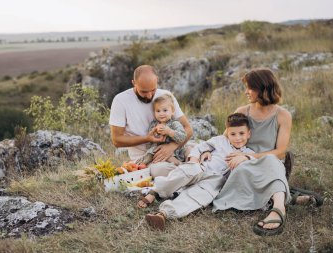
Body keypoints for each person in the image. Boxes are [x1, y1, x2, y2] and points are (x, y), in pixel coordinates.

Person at [210, 68, 292, 236]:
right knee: (240, 168)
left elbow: (281, 152)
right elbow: (225, 139)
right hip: (244, 165)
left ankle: (278, 208)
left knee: (270, 160)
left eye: (250, 88)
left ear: (263, 88)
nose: (246, 92)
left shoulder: (283, 115)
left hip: (269, 162)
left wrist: (247, 156)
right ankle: (285, 196)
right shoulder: (242, 111)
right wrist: (207, 150)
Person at [143, 113, 255, 229]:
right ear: (227, 133)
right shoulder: (220, 140)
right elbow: (199, 147)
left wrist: (245, 157)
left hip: (215, 180)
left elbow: (253, 162)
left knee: (197, 196)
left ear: (248, 134)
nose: (237, 138)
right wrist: (195, 161)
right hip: (202, 166)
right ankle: (155, 191)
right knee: (185, 172)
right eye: (233, 134)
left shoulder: (249, 153)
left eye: (241, 133)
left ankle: (163, 214)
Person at [109, 65, 193, 177]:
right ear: (134, 83)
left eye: (153, 90)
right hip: (147, 157)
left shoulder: (165, 95)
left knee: (198, 151)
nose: (149, 96)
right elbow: (117, 140)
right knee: (161, 170)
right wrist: (147, 138)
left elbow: (188, 129)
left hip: (176, 149)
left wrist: (171, 147)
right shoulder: (121, 100)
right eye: (143, 91)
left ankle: (187, 170)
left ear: (157, 80)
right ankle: (188, 172)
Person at [135, 93, 188, 166]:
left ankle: (180, 164)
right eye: (158, 111)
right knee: (152, 153)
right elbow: (150, 141)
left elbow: (183, 137)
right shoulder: (154, 125)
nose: (161, 113)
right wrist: (156, 133)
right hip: (158, 150)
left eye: (165, 110)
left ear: (172, 111)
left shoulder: (174, 123)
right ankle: (143, 161)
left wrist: (169, 131)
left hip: (175, 152)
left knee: (173, 157)